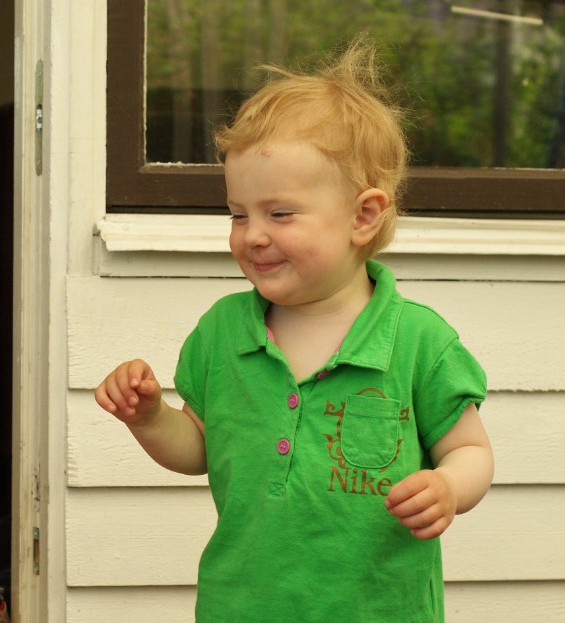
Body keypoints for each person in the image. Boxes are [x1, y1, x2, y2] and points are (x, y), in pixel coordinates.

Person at [95, 40, 493, 622]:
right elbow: (198, 450)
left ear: (364, 216)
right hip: (243, 606)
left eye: (279, 214)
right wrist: (151, 418)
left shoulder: (418, 341)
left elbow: (471, 449)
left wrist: (450, 487)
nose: (253, 234)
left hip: (380, 610)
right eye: (238, 213)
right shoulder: (222, 332)